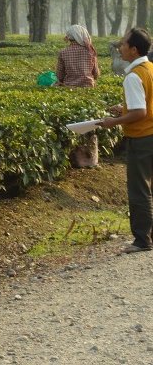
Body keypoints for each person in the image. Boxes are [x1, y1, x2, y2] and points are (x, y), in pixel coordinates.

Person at [100, 28, 153, 254]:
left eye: (123, 44)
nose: (119, 47)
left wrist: (114, 121)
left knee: (139, 190)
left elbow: (140, 113)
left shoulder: (133, 76)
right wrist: (125, 109)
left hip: (141, 137)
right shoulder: (150, 68)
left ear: (133, 50)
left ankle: (142, 240)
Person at [56, 25, 100, 168]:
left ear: (69, 37)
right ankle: (90, 160)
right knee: (89, 126)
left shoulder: (63, 52)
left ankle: (75, 160)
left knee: (73, 126)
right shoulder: (90, 51)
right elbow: (96, 74)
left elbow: (60, 76)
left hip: (69, 93)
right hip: (88, 92)